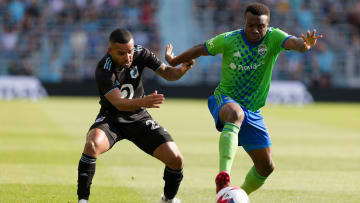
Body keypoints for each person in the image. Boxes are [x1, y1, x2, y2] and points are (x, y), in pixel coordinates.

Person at [165, 2, 322, 196]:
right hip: (225, 99)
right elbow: (201, 48)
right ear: (244, 23)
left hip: (252, 110)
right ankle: (223, 177)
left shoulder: (274, 37)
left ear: (268, 26)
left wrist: (304, 45)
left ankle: (236, 196)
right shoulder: (230, 40)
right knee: (235, 114)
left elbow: (295, 43)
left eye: (261, 26)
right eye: (251, 25)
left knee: (266, 167)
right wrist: (174, 61)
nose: (255, 30)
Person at [77, 28, 194, 203]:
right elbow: (119, 103)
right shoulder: (103, 69)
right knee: (91, 145)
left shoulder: (142, 53)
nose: (128, 57)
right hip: (112, 119)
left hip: (139, 118)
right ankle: (83, 200)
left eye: (130, 52)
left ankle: (168, 199)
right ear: (110, 51)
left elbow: (168, 73)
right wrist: (144, 101)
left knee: (176, 159)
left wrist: (183, 69)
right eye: (121, 53)